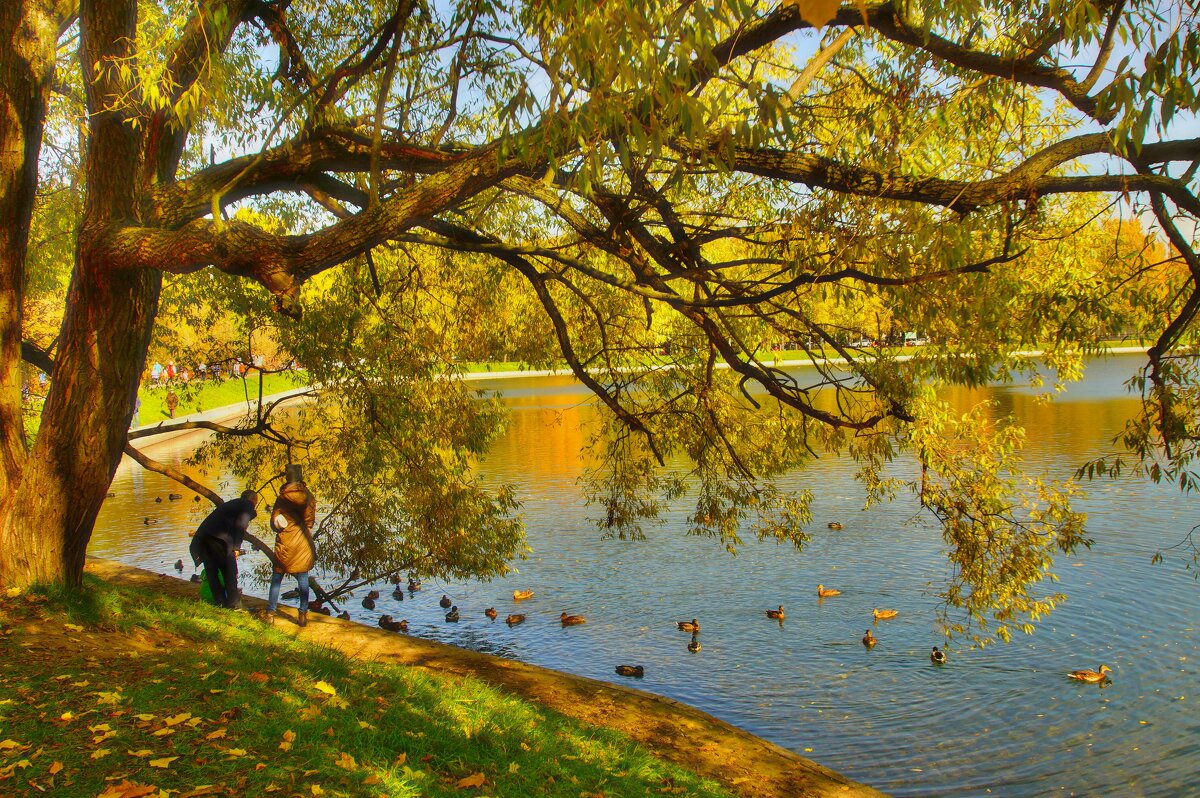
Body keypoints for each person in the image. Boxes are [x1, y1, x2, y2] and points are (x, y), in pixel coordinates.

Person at [264, 474, 317, 627]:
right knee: (303, 578)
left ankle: (270, 612)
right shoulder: (308, 496)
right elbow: (309, 522)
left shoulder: (282, 498)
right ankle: (302, 614)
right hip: (302, 541)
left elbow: (274, 522)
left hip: (285, 541)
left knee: (277, 577)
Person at [189, 490, 258, 609]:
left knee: (212, 571)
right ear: (253, 500)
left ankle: (219, 601)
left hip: (203, 539)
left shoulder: (232, 505)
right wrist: (236, 547)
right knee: (230, 571)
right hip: (220, 541)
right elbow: (241, 525)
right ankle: (233, 604)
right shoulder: (247, 505)